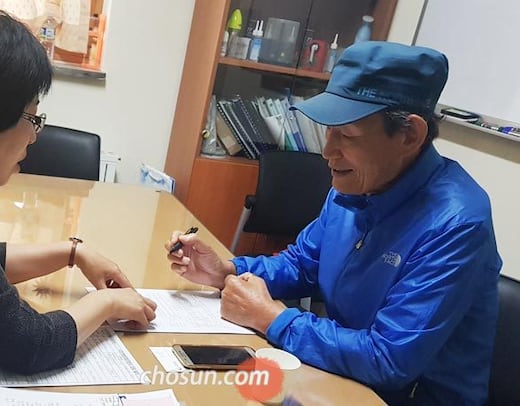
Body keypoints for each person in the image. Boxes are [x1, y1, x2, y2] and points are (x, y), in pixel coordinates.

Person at [167, 41, 502, 405]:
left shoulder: (457, 223)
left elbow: (389, 359)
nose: (328, 151)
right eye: (329, 131)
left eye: (348, 135)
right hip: (340, 377)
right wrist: (227, 271)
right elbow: (302, 264)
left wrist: (273, 318)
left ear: (410, 135)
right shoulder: (357, 185)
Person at [0, 5, 156, 374]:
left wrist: (72, 252)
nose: (34, 136)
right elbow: (27, 344)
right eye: (32, 118)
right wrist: (108, 303)